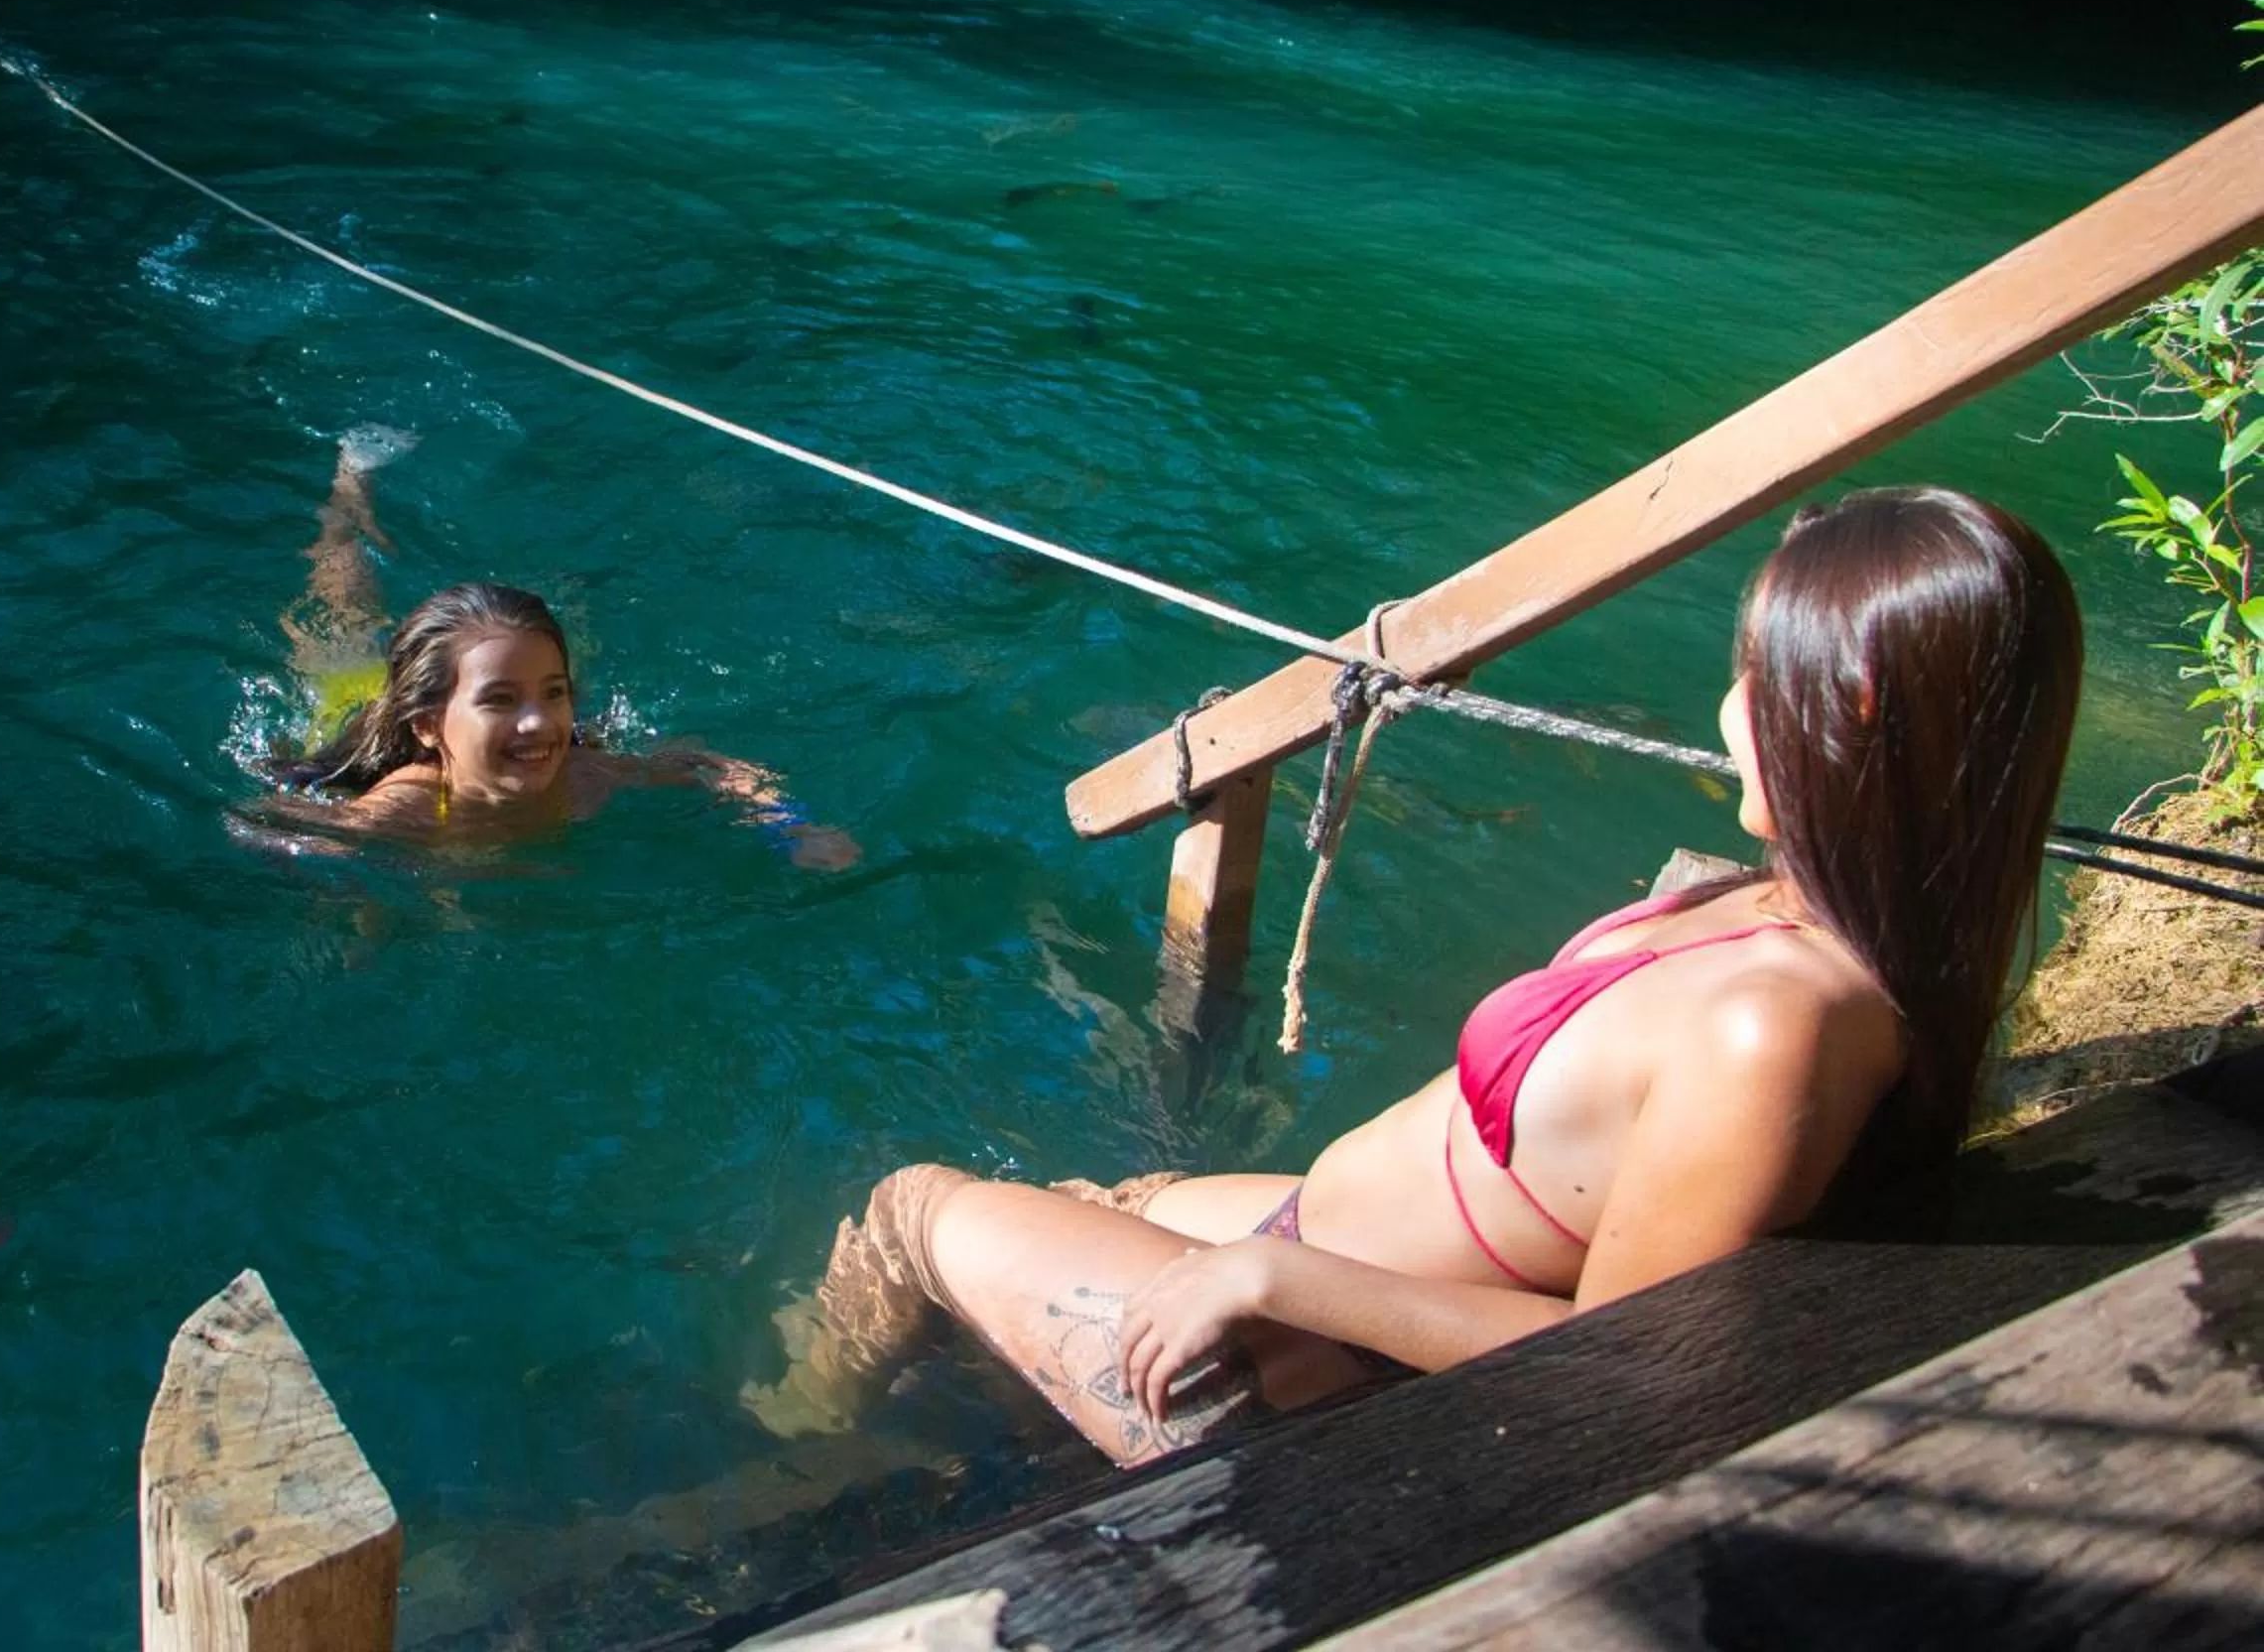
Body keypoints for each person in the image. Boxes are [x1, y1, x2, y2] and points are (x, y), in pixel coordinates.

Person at [745, 486, 2080, 1463]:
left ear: (1844, 706)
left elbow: (1636, 1378)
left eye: (1751, 675)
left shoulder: (1773, 1028)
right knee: (1100, 1200)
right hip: (1312, 1269)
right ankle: (891, 1419)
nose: (1726, 709)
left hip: (1301, 1379)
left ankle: (786, 1456)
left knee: (912, 1209)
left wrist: (1277, 1286)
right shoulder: (1807, 917)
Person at [235, 429, 858, 869]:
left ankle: (555, 613)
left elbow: (709, 767)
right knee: (344, 613)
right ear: (426, 725)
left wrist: (792, 828)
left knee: (548, 632)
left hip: (455, 687)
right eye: (501, 700)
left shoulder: (585, 777)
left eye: (553, 694)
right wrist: (315, 855)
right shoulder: (411, 807)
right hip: (353, 700)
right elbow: (256, 822)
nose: (537, 721)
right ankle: (352, 486)